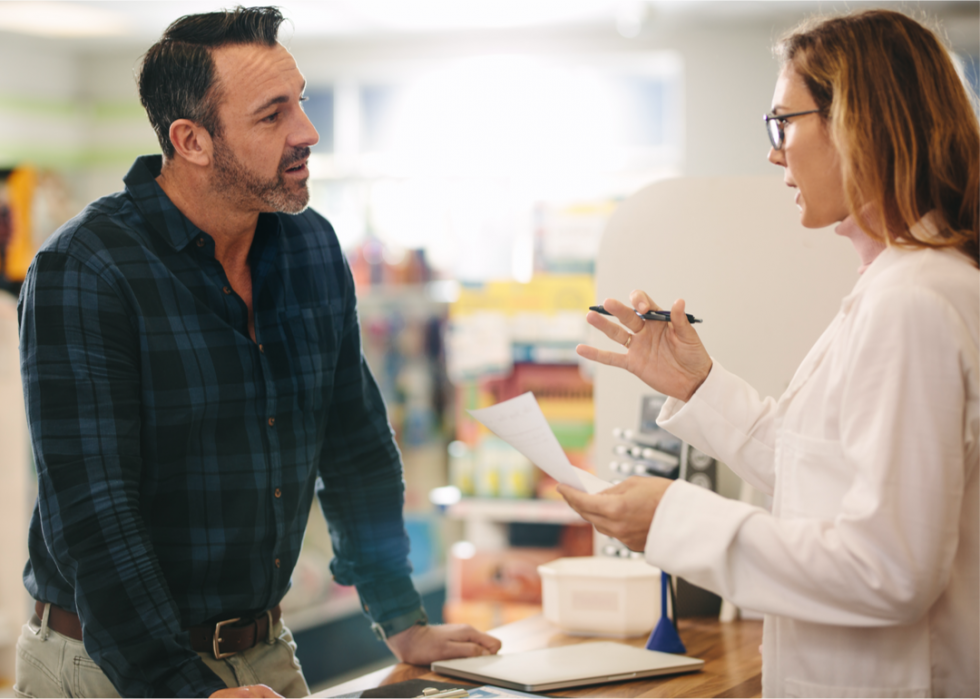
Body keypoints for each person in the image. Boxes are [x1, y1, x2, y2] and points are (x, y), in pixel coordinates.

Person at [14, 7, 500, 698]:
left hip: (263, 651)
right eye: (273, 115)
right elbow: (94, 513)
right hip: (108, 666)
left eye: (299, 101)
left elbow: (355, 444)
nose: (308, 131)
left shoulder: (309, 247)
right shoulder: (86, 270)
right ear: (193, 141)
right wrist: (186, 688)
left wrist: (401, 616)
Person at [559, 9, 978, 698]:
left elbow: (890, 568)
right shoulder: (900, 286)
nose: (773, 151)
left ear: (859, 120)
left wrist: (674, 519)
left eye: (784, 121)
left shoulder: (916, 301)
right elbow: (827, 476)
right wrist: (698, 386)